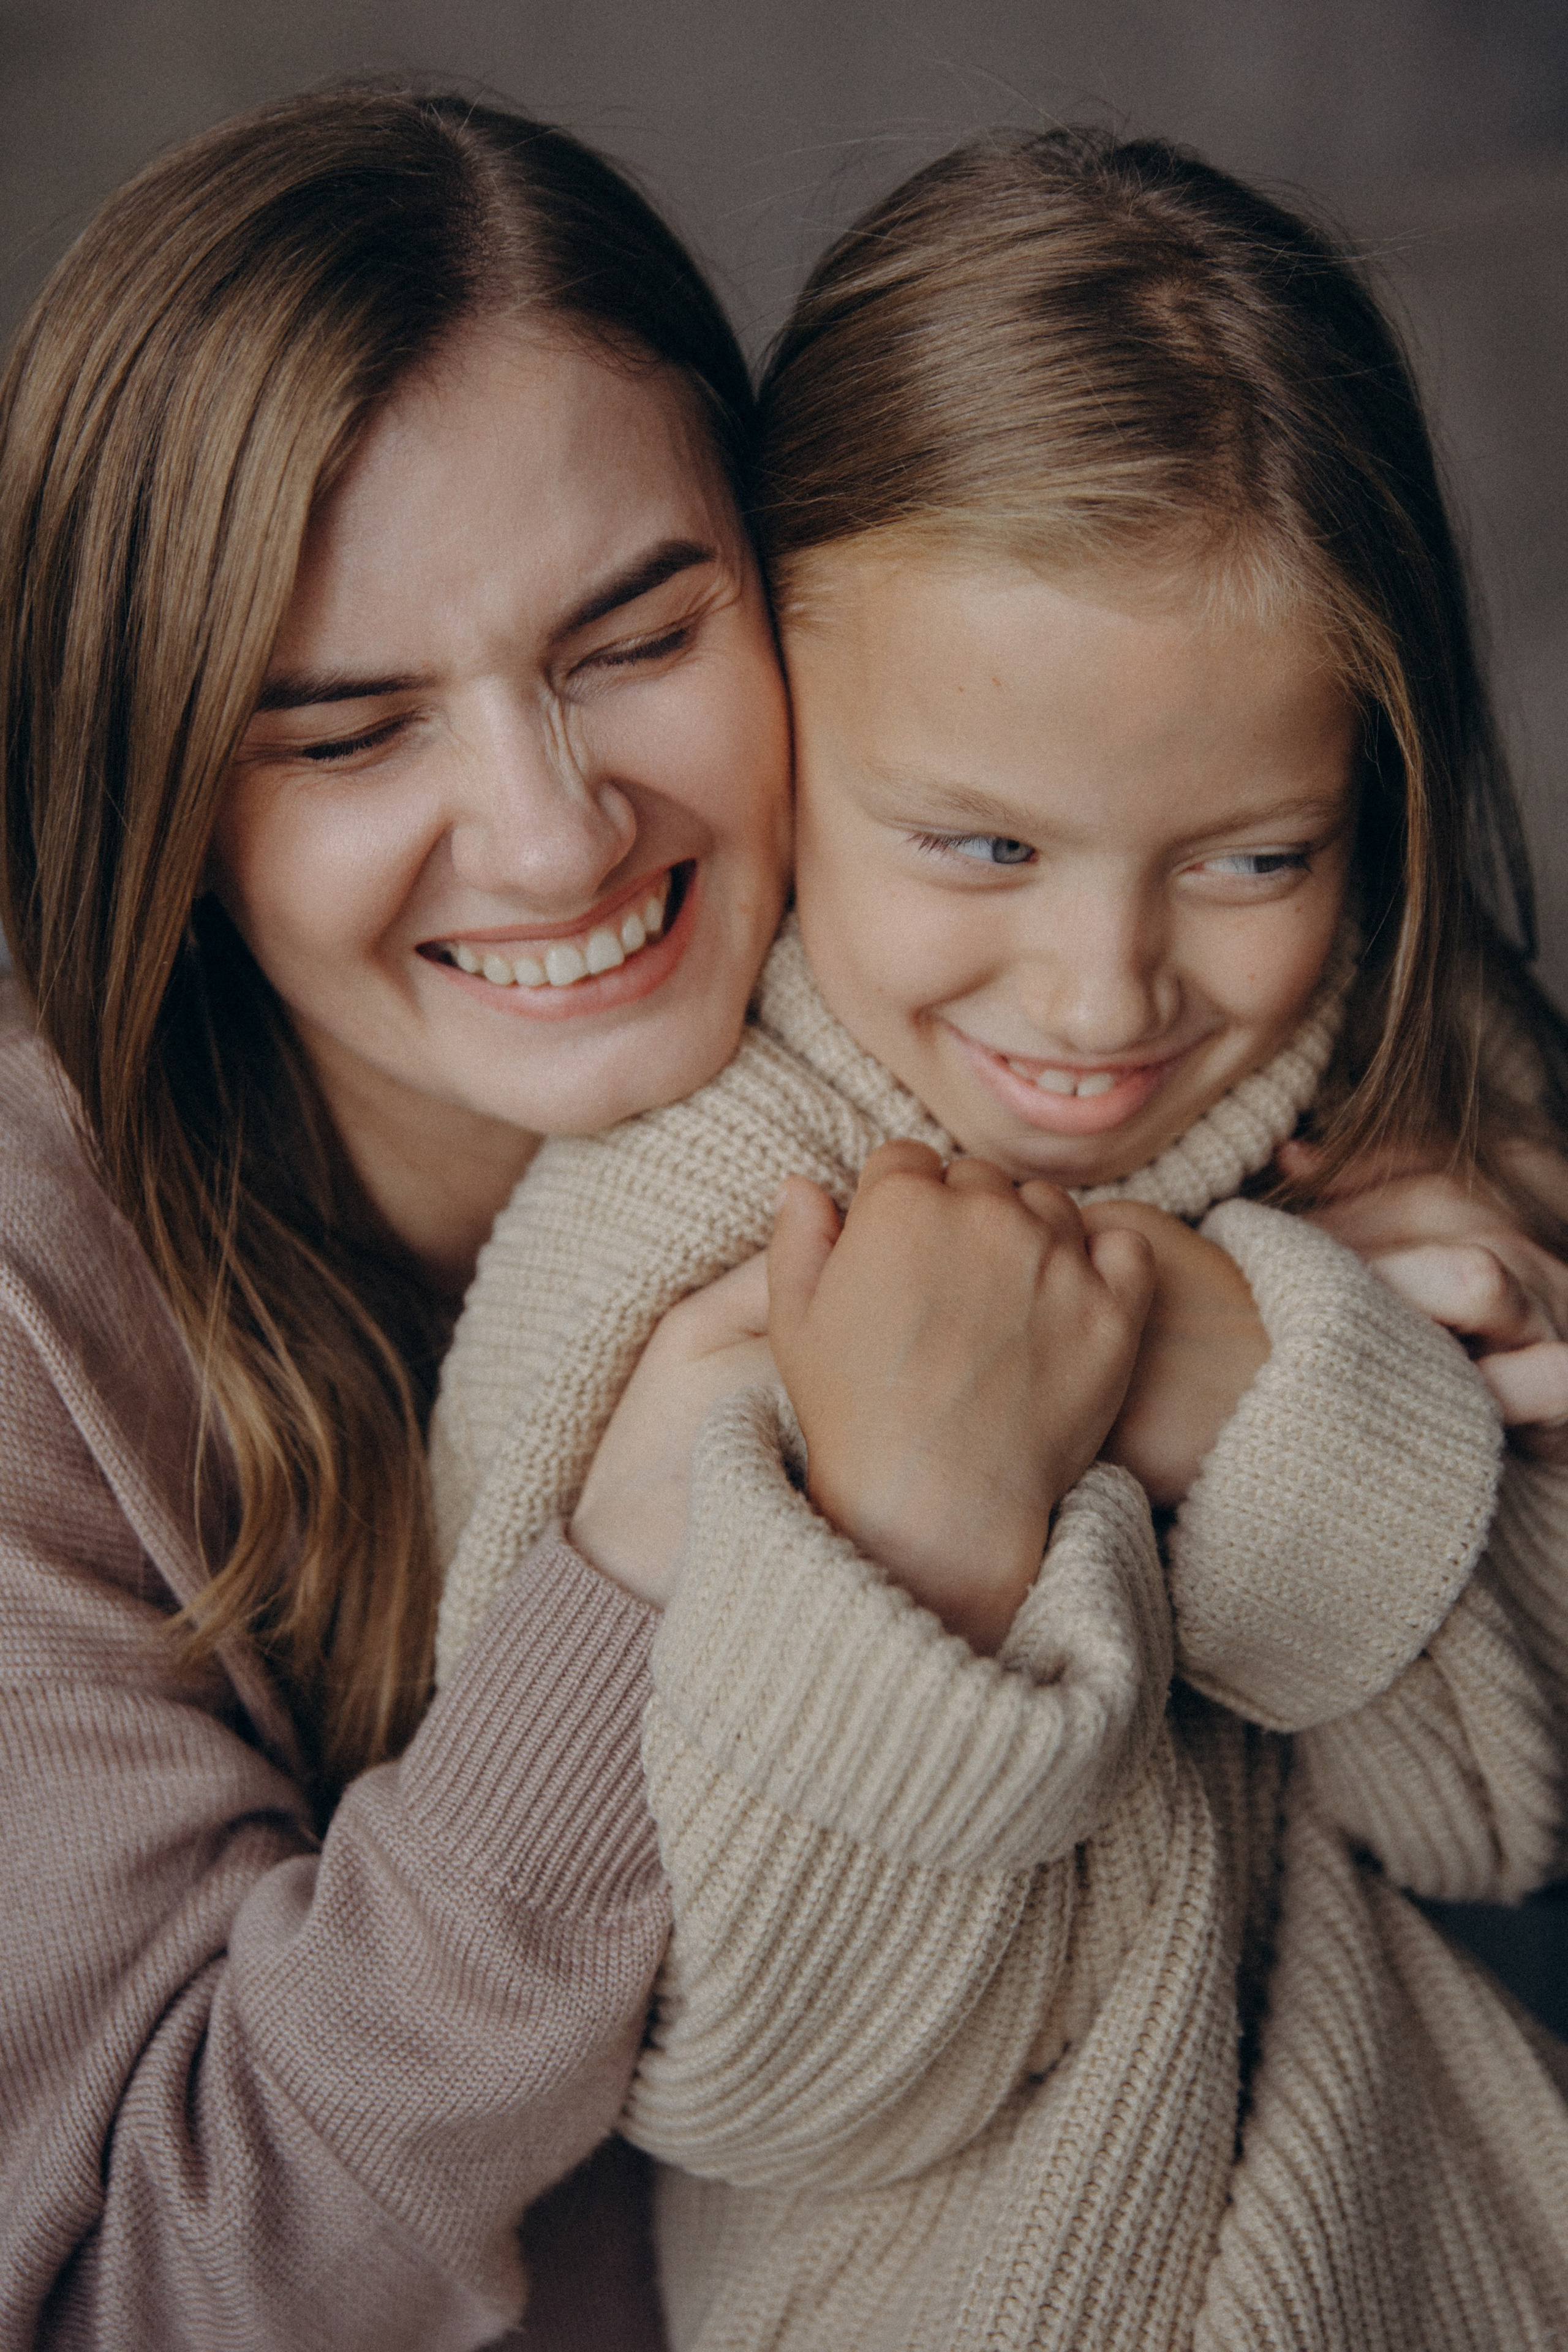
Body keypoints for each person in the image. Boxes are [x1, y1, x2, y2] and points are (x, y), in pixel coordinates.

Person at [432, 132, 1568, 2348]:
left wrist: (1250, 1378)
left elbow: (1499, 1809)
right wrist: (938, 1526)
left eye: (1253, 856)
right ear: (781, 731)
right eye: (980, 845)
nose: (1103, 995)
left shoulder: (1398, 1078)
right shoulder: (654, 1244)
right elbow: (743, 2077)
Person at [0, 83, 799, 2350]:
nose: (552, 838)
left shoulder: (1015, 960)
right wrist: (633, 1579)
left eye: (638, 636)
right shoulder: (36, 1311)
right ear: (157, 809)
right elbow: (126, 2293)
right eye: (349, 735)